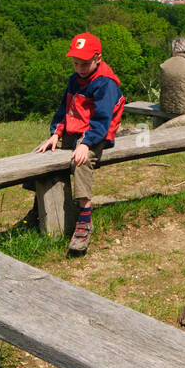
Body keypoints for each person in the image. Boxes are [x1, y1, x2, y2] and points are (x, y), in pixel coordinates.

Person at [34, 33, 126, 256]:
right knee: (41, 154)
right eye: (76, 63)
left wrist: (86, 143)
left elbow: (102, 120)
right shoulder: (74, 80)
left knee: (80, 162)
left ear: (98, 58)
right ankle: (38, 209)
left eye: (85, 63)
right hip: (75, 132)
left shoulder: (105, 83)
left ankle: (84, 219)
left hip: (97, 135)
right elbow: (63, 110)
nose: (80, 68)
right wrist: (56, 133)